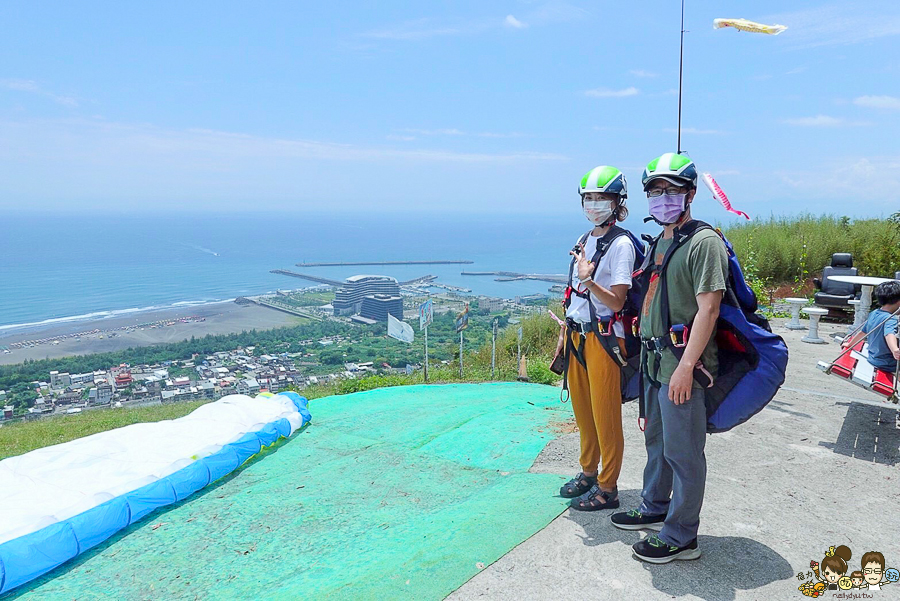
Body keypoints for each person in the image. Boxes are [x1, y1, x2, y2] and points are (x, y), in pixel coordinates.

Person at [609, 152, 728, 563]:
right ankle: (654, 506)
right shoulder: (663, 238)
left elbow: (708, 309)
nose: (663, 198)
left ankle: (681, 535)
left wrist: (686, 367)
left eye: (672, 190)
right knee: (657, 442)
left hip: (683, 365)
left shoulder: (704, 242)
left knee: (683, 451)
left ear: (691, 194)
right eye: (655, 191)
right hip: (656, 363)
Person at [553, 166, 635, 511]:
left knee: (605, 416)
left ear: (617, 203)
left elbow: (617, 300)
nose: (594, 204)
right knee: (583, 413)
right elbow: (573, 295)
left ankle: (608, 487)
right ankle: (588, 472)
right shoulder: (584, 240)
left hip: (604, 341)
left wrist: (588, 281)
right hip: (576, 337)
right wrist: (564, 332)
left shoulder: (622, 245)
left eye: (602, 198)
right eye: (589, 198)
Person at [845, 281, 900, 372]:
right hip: (887, 363)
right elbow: (889, 334)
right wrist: (895, 350)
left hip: (873, 358)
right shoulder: (890, 318)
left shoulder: (874, 313)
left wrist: (850, 344)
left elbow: (862, 332)